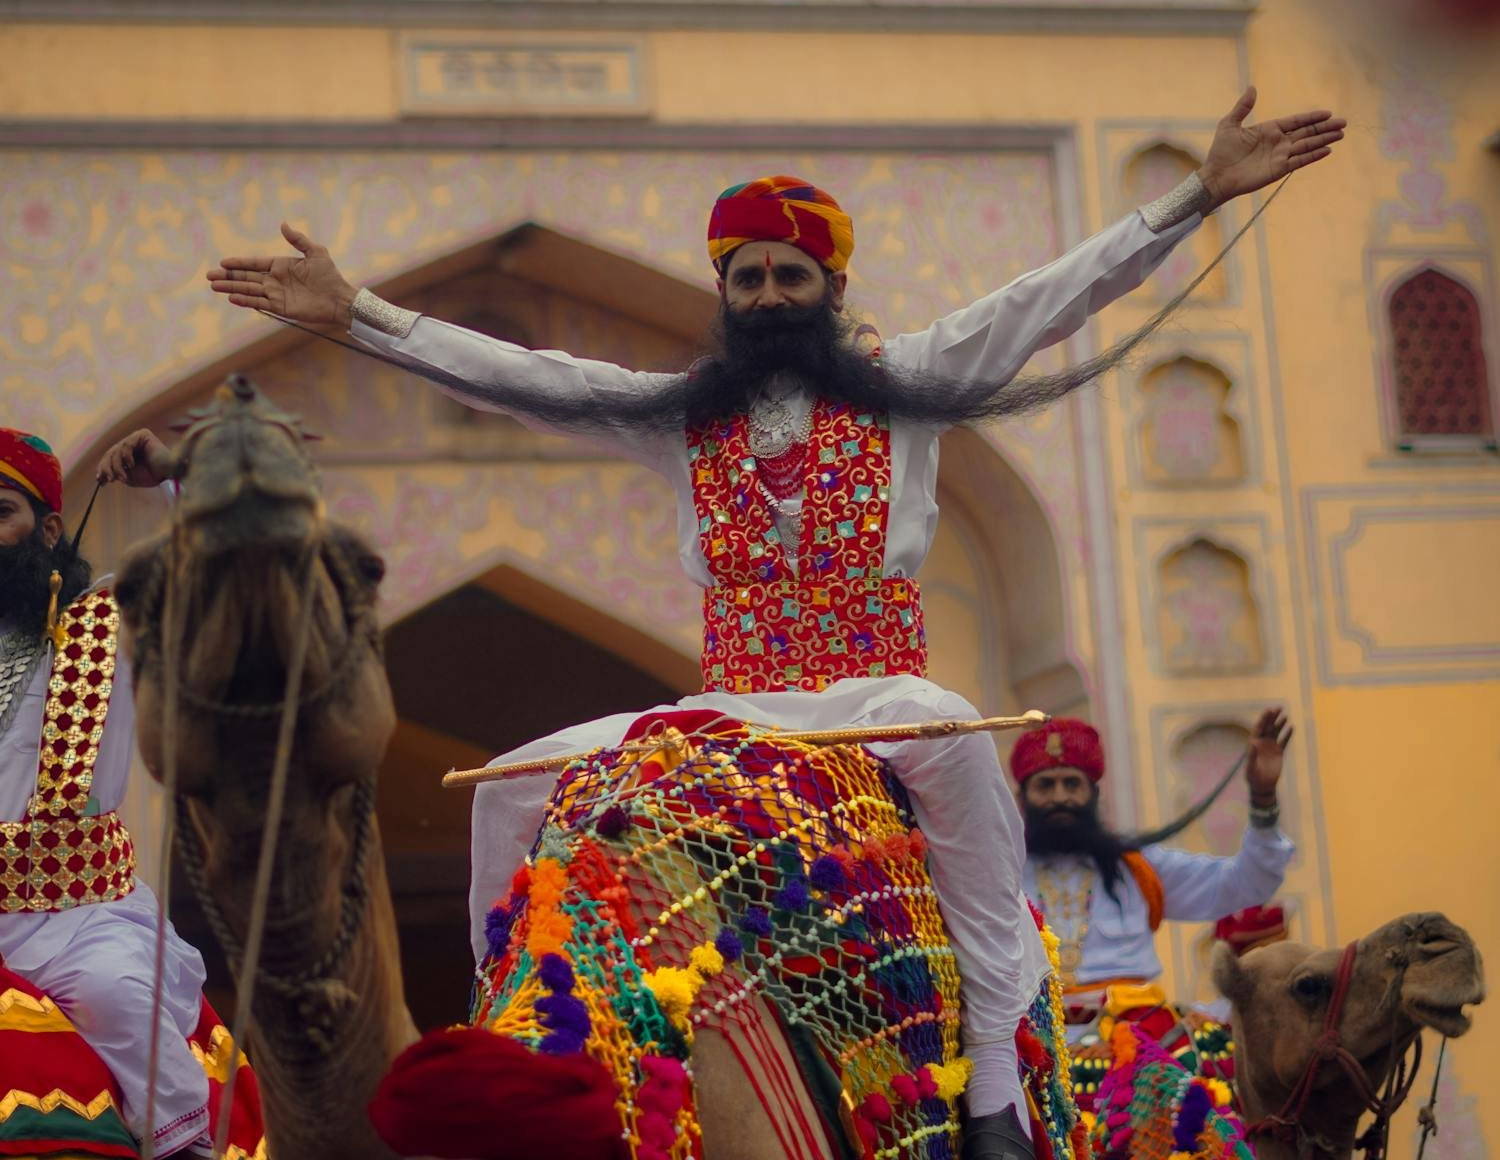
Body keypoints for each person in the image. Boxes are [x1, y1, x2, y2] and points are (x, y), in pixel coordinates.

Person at [205, 88, 1343, 1157]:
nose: (764, 297)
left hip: (876, 694)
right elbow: (527, 376)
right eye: (744, 279)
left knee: (951, 734)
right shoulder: (680, 418)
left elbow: (1052, 297)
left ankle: (998, 1066)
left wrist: (1193, 197)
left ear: (830, 289)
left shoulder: (917, 378)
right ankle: (508, 1025)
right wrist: (358, 315)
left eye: (786, 277)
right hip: (729, 709)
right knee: (510, 778)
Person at [0, 427, 216, 1157]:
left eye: (0, 512)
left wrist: (174, 477)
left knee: (121, 997)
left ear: (48, 530)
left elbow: (211, 573)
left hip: (74, 918)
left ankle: (183, 1147)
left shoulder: (105, 624)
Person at [1011, 711, 1294, 1034]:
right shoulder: (998, 875)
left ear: (1094, 794)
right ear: (1021, 798)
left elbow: (1247, 883)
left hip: (1135, 1040)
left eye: (1072, 784)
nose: (1060, 797)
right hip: (1028, 1043)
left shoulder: (1139, 868)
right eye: (1045, 785)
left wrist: (1262, 800)